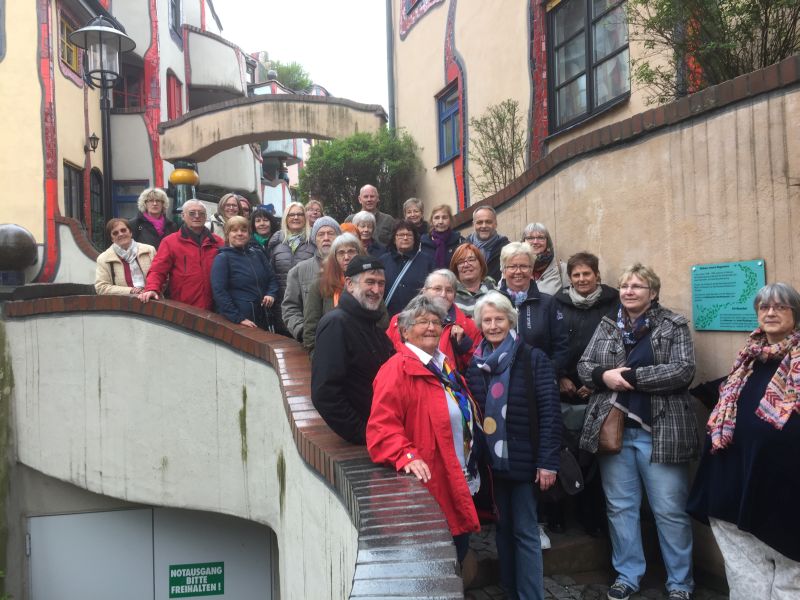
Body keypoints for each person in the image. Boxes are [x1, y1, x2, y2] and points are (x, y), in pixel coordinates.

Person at [578, 263, 697, 600]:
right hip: (615, 434)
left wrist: (628, 378)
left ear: (653, 293)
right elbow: (585, 366)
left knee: (670, 511)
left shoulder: (673, 324)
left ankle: (680, 583)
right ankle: (627, 574)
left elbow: (683, 371)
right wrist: (603, 376)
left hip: (660, 433)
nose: (629, 291)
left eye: (638, 286)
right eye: (625, 286)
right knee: (620, 507)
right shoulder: (606, 325)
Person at [687, 282, 800, 599]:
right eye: (764, 307)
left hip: (784, 490)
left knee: (791, 578)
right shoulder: (749, 360)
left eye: (781, 306)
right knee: (744, 574)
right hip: (733, 484)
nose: (771, 312)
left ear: (796, 314)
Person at [368, 295, 482, 564]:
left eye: (435, 322)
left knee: (457, 551)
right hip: (431, 483)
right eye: (422, 322)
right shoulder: (396, 370)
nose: (431, 327)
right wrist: (406, 455)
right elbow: (382, 426)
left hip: (457, 473)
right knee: (439, 556)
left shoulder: (442, 364)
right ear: (405, 331)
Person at [466, 292, 561, 599]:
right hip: (492, 467)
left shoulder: (533, 359)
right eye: (487, 320)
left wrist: (548, 461)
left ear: (511, 320)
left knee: (524, 532)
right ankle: (510, 589)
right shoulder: (475, 364)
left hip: (525, 462)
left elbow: (549, 412)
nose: (493, 325)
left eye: (499, 319)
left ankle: (531, 595)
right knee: (503, 531)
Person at [551, 252, 619, 535]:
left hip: (600, 389)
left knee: (595, 457)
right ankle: (559, 512)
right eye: (576, 275)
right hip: (565, 389)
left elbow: (620, 345)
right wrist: (561, 377)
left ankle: (592, 516)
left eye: (586, 274)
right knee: (565, 451)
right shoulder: (558, 303)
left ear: (597, 275)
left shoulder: (613, 303)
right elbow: (553, 341)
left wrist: (595, 381)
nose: (581, 279)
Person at [311, 256, 395, 444]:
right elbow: (325, 393)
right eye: (370, 282)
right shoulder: (336, 324)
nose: (376, 290)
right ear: (349, 284)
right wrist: (363, 434)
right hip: (368, 440)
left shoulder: (372, 323)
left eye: (381, 284)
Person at [387, 269, 481, 373]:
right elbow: (387, 357)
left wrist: (464, 344)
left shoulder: (469, 326)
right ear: (424, 291)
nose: (443, 294)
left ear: (454, 296)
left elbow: (478, 367)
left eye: (449, 290)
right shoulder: (399, 321)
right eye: (437, 289)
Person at [498, 242, 569, 376]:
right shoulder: (492, 302)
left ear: (531, 270)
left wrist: (547, 372)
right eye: (512, 266)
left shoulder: (548, 303)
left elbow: (561, 346)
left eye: (524, 266)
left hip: (540, 381)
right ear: (503, 269)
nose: (518, 271)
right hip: (502, 380)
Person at [138, 199, 223, 309]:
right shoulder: (170, 242)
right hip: (184, 308)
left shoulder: (217, 242)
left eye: (201, 213)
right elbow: (158, 270)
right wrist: (152, 288)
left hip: (215, 307)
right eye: (192, 213)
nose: (197, 216)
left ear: (206, 216)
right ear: (183, 216)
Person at [210, 216, 278, 330]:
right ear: (227, 234)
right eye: (234, 230)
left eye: (243, 230)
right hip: (242, 319)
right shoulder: (223, 258)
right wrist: (238, 318)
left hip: (263, 315)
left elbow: (272, 278)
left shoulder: (258, 254)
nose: (240, 233)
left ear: (249, 233)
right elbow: (219, 292)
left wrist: (271, 293)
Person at [302, 233, 365, 352]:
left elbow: (381, 322)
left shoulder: (369, 284)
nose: (346, 257)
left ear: (359, 254)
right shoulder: (319, 286)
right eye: (341, 253)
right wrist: (317, 357)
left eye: (351, 251)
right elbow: (310, 329)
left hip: (363, 352)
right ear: (334, 258)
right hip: (330, 352)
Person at [281, 216, 340, 340]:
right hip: (312, 342)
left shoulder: (349, 268)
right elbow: (290, 308)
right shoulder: (298, 271)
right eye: (321, 234)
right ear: (314, 239)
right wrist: (304, 332)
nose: (326, 238)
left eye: (330, 233)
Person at [268, 201, 316, 335]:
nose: (296, 217)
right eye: (291, 214)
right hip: (281, 307)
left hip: (308, 307)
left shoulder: (313, 243)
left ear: (305, 218)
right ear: (286, 218)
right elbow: (270, 275)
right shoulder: (276, 243)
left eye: (300, 214)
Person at [379, 220, 434, 317]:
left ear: (414, 239)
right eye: (400, 235)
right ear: (394, 239)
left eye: (409, 235)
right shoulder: (383, 261)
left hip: (418, 317)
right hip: (388, 319)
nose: (405, 238)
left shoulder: (427, 261)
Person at [95, 218, 156, 295]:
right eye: (115, 233)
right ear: (112, 239)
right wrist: (131, 291)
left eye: (123, 230)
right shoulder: (104, 259)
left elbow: (161, 276)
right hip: (123, 305)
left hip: (153, 302)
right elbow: (101, 287)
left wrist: (152, 291)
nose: (120, 234)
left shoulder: (149, 251)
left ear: (130, 232)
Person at [451, 243, 496, 318]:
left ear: (481, 264)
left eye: (471, 260)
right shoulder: (450, 295)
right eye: (461, 262)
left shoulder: (495, 292)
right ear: (456, 269)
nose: (466, 265)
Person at [522, 223, 568, 296]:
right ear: (523, 241)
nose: (535, 242)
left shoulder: (561, 268)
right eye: (530, 238)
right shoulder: (514, 267)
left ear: (547, 241)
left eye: (540, 238)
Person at [466, 206, 509, 282]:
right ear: (473, 225)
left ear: (495, 224)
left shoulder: (507, 249)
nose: (484, 226)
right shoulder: (462, 249)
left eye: (488, 222)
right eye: (479, 222)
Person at [420, 204, 464, 270]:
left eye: (444, 218)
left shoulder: (460, 242)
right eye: (437, 218)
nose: (440, 222)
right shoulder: (422, 243)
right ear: (432, 221)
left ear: (450, 220)